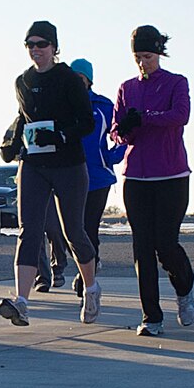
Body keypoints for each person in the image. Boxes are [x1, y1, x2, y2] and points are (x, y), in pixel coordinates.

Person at [0, 22, 99, 325]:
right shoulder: (22, 81)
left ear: (54, 47)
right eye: (30, 44)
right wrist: (12, 142)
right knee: (28, 229)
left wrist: (60, 136)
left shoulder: (68, 79)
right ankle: (22, 302)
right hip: (33, 165)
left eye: (41, 44)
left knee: (72, 232)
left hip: (68, 165)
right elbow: (23, 117)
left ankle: (91, 289)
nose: (35, 50)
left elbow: (86, 123)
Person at [112, 27, 194, 336]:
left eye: (147, 57)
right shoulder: (126, 87)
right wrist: (125, 127)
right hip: (136, 176)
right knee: (142, 247)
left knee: (165, 243)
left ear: (158, 53)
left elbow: (180, 116)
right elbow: (118, 132)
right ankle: (151, 316)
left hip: (172, 175)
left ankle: (184, 287)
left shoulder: (176, 82)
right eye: (137, 58)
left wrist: (145, 117)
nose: (142, 63)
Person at [68, 58, 123, 299]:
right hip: (67, 177)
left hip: (98, 178)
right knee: (70, 230)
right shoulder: (61, 104)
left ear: (89, 80)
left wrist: (111, 157)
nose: (77, 83)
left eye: (80, 79)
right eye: (73, 79)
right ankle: (87, 264)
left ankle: (85, 276)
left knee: (88, 228)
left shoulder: (103, 105)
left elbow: (123, 134)